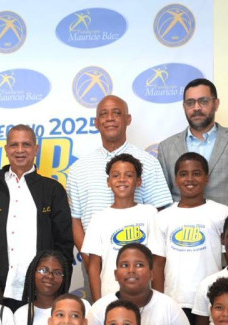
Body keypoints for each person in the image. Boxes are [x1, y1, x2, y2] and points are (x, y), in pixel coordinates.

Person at [0, 125, 73, 311]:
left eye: (26, 144)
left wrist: (59, 288)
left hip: (39, 292)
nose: (19, 150)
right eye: (14, 145)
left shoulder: (53, 190)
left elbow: (64, 245)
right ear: (6, 149)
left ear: (36, 149)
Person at [67, 94, 173, 276]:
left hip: (139, 269)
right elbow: (75, 220)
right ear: (96, 122)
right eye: (103, 114)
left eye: (117, 113)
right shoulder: (78, 169)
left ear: (128, 119)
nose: (110, 118)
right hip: (95, 265)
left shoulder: (148, 163)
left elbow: (160, 216)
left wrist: (146, 263)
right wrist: (91, 261)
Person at [157, 79, 228, 256]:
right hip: (180, 248)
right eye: (190, 103)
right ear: (184, 107)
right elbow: (163, 201)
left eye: (203, 101)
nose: (196, 107)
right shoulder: (166, 147)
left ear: (216, 103)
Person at [156, 153, 228, 325]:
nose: (190, 179)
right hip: (175, 300)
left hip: (212, 299)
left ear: (206, 178)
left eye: (196, 173)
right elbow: (158, 264)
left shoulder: (221, 212)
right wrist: (159, 301)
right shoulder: (163, 217)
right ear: (176, 180)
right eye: (183, 174)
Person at [81, 153, 166, 300]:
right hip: (110, 296)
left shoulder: (149, 213)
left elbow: (158, 261)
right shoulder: (98, 218)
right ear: (108, 182)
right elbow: (94, 266)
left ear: (138, 181)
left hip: (144, 297)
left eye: (129, 175)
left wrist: (158, 300)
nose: (122, 179)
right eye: (116, 175)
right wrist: (98, 303)